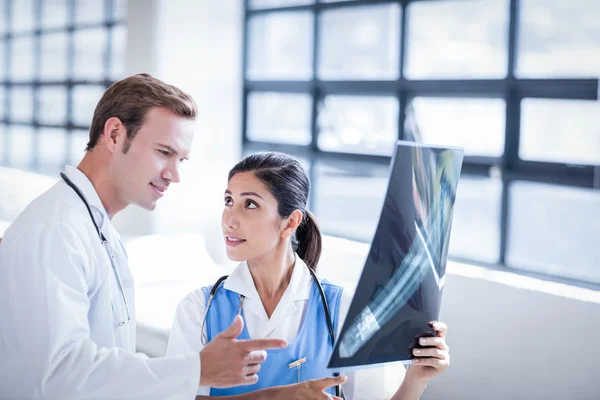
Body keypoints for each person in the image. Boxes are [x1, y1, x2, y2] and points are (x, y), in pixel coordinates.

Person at [0, 74, 287, 400]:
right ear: (114, 134)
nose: (174, 175)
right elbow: (60, 374)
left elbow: (111, 367)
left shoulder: (96, 228)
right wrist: (198, 369)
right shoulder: (54, 231)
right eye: (164, 152)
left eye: (181, 159)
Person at [166, 152, 451, 399]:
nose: (229, 218)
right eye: (228, 200)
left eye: (249, 204)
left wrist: (416, 380)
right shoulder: (198, 309)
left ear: (290, 222)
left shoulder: (344, 309)